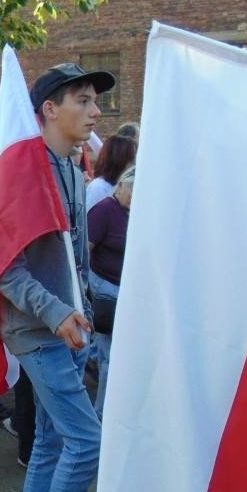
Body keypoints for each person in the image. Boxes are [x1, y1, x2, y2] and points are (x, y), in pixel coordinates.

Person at [0, 62, 118, 492]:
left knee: (50, 440)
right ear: (50, 108)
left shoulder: (73, 168)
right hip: (39, 331)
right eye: (85, 100)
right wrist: (57, 314)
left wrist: (103, 307)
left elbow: (76, 261)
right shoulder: (23, 167)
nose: (96, 112)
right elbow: (4, 267)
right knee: (86, 440)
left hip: (71, 331)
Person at [87, 165, 134, 415]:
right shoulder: (104, 210)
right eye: (133, 189)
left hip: (125, 290)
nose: (136, 195)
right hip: (106, 289)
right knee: (111, 357)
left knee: (117, 356)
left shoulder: (136, 211)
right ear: (122, 185)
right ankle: (102, 415)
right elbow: (86, 251)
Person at [85, 135, 136, 213]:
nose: (134, 165)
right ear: (120, 160)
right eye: (132, 160)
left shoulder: (120, 185)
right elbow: (91, 221)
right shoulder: (99, 188)